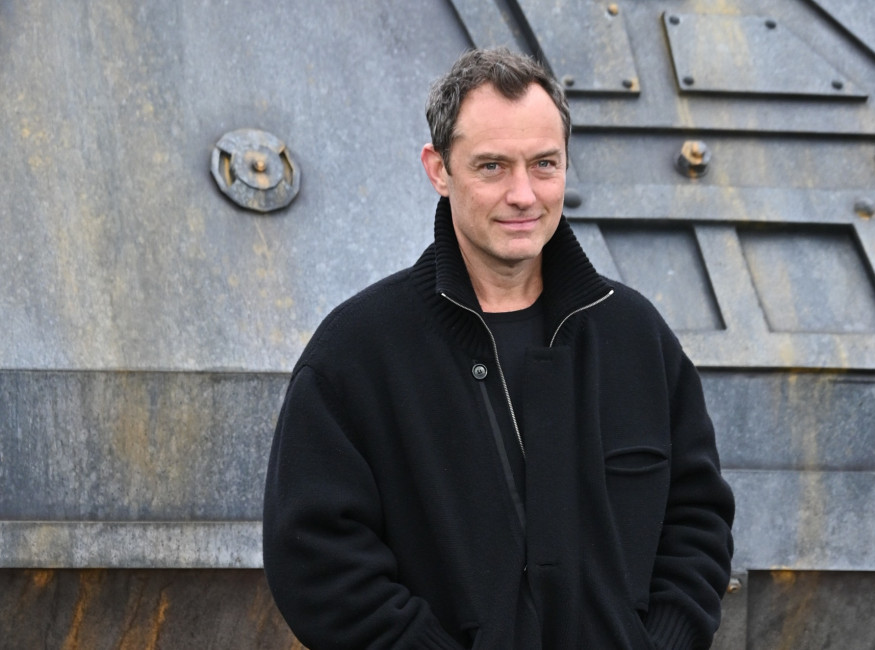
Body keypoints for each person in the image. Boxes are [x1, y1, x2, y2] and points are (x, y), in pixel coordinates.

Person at [263, 47, 735, 649]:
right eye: (492, 167)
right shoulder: (356, 352)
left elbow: (697, 522)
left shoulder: (635, 336)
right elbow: (317, 561)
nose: (523, 194)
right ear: (439, 170)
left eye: (544, 164)